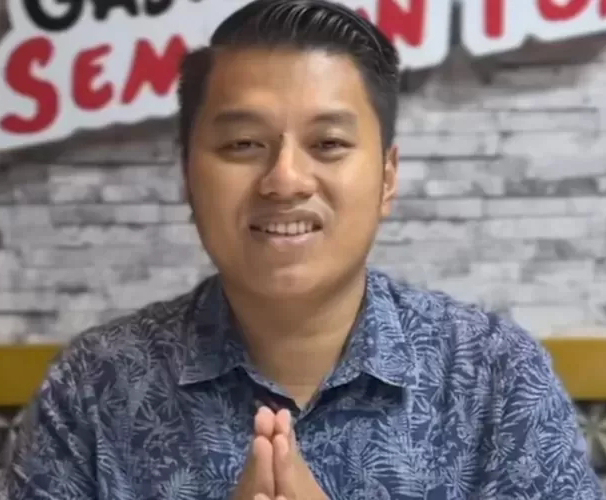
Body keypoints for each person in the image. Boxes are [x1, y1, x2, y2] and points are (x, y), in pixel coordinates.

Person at [2, 0, 604, 498]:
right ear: (187, 176)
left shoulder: (495, 376)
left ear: (387, 177)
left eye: (328, 143)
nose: (285, 180)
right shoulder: (93, 388)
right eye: (243, 144)